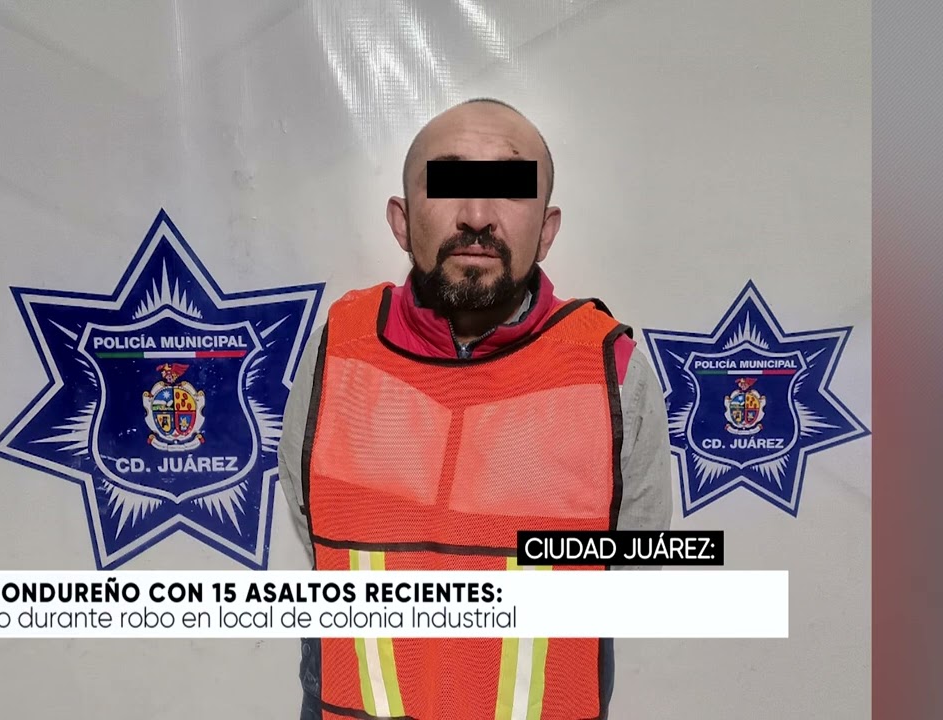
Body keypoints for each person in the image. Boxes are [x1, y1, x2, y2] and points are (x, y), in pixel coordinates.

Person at [277, 98, 671, 720]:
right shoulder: (338, 348)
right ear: (401, 220)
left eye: (510, 189)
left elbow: (636, 569)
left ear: (547, 230)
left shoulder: (611, 367)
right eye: (448, 182)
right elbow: (313, 526)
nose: (478, 216)